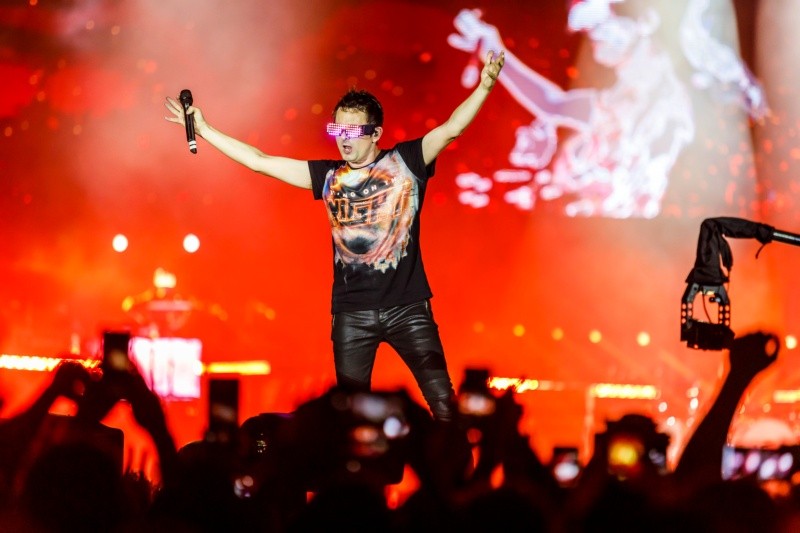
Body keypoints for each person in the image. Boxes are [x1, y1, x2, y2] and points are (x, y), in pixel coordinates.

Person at [165, 50, 505, 421]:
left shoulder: (406, 162)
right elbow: (260, 162)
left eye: (353, 131)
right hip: (351, 314)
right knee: (349, 417)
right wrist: (204, 130)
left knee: (443, 405)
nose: (343, 140)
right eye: (337, 130)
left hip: (408, 309)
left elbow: (452, 128)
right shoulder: (329, 176)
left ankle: (460, 460)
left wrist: (485, 86)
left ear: (375, 133)